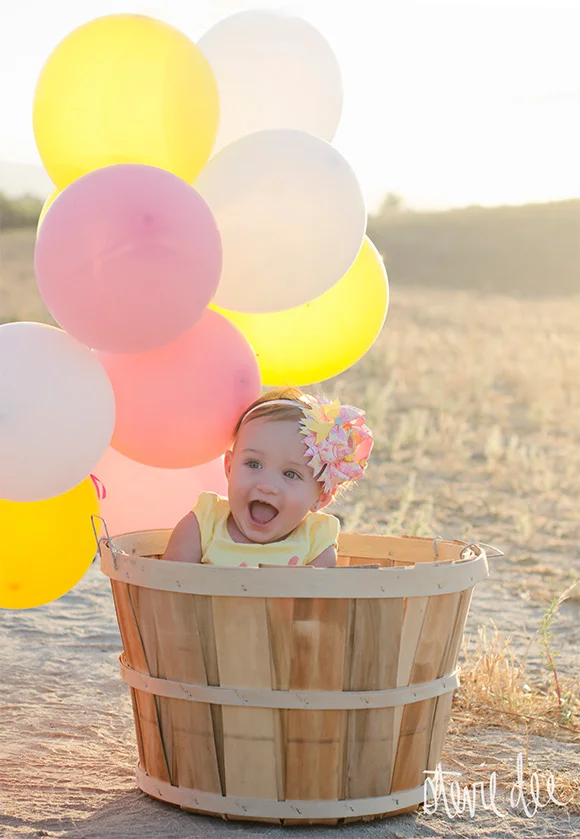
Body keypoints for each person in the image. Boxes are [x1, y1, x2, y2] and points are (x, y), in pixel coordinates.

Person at [162, 386, 373, 567]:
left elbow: (316, 611)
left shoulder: (315, 542)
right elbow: (166, 594)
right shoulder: (203, 525)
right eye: (253, 464)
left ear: (322, 497)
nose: (266, 485)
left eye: (291, 474)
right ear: (229, 467)